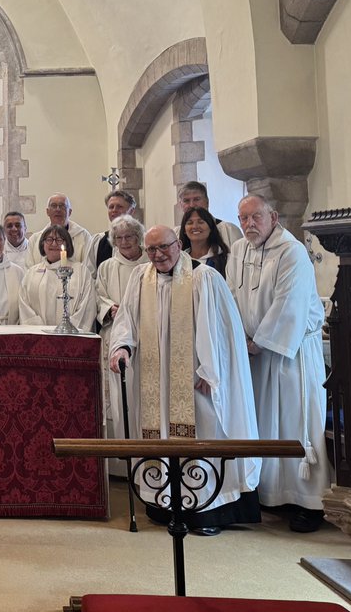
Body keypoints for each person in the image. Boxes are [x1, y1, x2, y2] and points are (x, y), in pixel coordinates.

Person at [108, 225, 261, 535]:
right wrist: (122, 346)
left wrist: (210, 369)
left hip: (196, 379)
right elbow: (127, 319)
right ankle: (165, 503)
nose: (158, 254)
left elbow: (220, 329)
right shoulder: (140, 278)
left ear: (178, 244)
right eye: (151, 249)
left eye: (164, 246)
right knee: (159, 433)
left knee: (203, 434)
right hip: (156, 381)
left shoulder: (203, 277)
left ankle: (207, 511)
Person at [227, 194, 330, 533]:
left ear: (273, 216)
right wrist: (237, 338)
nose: (248, 225)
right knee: (262, 424)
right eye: (242, 219)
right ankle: (270, 494)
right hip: (252, 353)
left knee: (294, 421)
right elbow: (231, 296)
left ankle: (308, 503)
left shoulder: (292, 252)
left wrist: (257, 343)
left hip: (290, 354)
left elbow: (291, 304)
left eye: (255, 217)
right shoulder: (239, 250)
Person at [94, 215, 147, 474]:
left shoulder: (150, 263)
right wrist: (108, 307)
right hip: (114, 334)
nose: (124, 242)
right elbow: (98, 295)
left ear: (139, 237)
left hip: (146, 336)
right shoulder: (106, 267)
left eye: (129, 236)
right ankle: (118, 465)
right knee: (116, 395)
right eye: (119, 238)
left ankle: (145, 455)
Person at [18, 225, 95, 330]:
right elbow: (24, 305)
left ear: (67, 244)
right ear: (43, 244)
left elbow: (87, 305)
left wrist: (68, 330)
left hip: (71, 337)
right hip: (39, 338)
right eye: (49, 239)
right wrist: (41, 331)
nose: (54, 244)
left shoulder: (81, 271)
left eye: (59, 240)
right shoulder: (31, 273)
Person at [26, 193, 92, 267]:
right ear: (47, 212)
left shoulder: (83, 236)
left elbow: (88, 268)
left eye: (62, 206)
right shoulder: (35, 240)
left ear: (69, 212)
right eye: (54, 206)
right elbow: (29, 270)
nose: (58, 209)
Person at [85, 190, 137, 275]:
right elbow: (89, 274)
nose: (114, 210)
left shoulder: (141, 239)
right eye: (111, 207)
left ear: (131, 211)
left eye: (119, 206)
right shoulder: (98, 241)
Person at [176, 181, 242, 247]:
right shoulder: (176, 234)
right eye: (186, 201)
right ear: (180, 205)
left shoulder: (228, 230)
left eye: (196, 199)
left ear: (207, 202)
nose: (192, 205)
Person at [178, 206, 230, 276]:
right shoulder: (178, 260)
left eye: (201, 222)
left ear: (211, 228)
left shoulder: (225, 259)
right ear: (184, 230)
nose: (195, 226)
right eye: (190, 223)